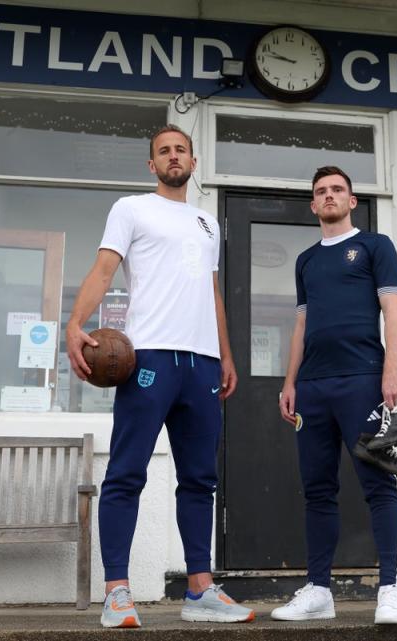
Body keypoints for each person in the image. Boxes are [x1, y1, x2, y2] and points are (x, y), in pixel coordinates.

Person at [66, 124, 254, 628]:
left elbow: (210, 293)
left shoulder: (208, 222)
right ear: (152, 165)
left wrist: (226, 355)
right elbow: (104, 270)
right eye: (164, 152)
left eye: (181, 150)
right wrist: (74, 323)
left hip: (202, 365)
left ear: (193, 162)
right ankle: (117, 592)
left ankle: (199, 590)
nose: (173, 157)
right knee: (126, 474)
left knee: (199, 479)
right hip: (147, 358)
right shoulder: (131, 209)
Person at [273, 166, 397, 626]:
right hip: (313, 388)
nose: (329, 196)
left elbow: (393, 312)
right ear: (313, 206)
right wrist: (289, 381)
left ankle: (391, 589)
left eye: (338, 189)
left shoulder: (376, 246)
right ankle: (318, 590)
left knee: (378, 484)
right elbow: (301, 324)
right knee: (318, 490)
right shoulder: (306, 260)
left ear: (352, 201)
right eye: (321, 192)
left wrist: (390, 370)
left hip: (362, 380)